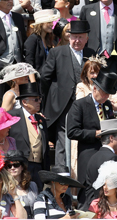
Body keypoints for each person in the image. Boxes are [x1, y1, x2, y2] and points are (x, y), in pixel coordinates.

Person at [40, 20, 93, 167]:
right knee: (63, 142)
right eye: (74, 36)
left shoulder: (91, 53)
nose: (77, 40)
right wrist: (44, 104)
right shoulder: (56, 52)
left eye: (80, 37)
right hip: (63, 106)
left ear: (86, 38)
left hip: (86, 105)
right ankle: (62, 176)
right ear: (68, 37)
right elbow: (45, 78)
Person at [6, 83, 49, 189]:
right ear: (24, 102)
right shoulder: (12, 116)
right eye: (35, 99)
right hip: (19, 167)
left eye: (39, 99)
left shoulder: (41, 119)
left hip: (39, 167)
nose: (39, 102)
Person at [79, 119, 117, 210]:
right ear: (111, 138)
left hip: (93, 206)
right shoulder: (112, 158)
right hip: (104, 208)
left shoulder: (93, 157)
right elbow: (114, 187)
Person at [3, 151, 38, 218]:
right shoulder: (4, 187)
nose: (12, 168)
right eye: (9, 166)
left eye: (16, 165)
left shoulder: (32, 185)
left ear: (22, 167)